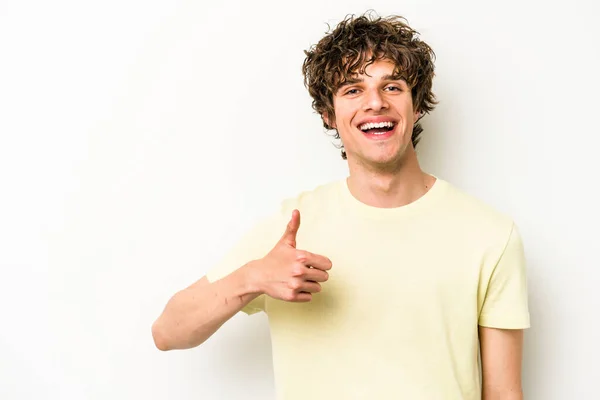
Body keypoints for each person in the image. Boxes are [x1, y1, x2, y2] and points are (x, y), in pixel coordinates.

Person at [151, 12, 530, 400]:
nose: (375, 103)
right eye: (352, 90)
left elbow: (503, 392)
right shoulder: (289, 231)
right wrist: (253, 278)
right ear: (329, 114)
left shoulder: (489, 235)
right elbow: (168, 332)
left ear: (418, 106)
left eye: (393, 87)